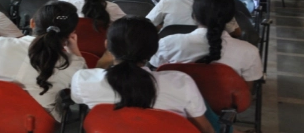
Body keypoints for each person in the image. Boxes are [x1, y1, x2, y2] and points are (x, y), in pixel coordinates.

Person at [71, 17, 214, 133]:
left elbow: (80, 97)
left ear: (107, 45)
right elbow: (205, 129)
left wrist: (104, 61)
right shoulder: (181, 82)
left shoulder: (82, 80)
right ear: (154, 49)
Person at [0, 1, 85, 121]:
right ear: (71, 34)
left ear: (32, 23)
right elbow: (84, 91)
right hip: (36, 123)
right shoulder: (72, 64)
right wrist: (75, 52)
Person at [150, 0, 263, 84]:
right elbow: (247, 92)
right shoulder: (249, 51)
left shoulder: (167, 43)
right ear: (230, 19)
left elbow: (156, 73)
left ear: (194, 16)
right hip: (225, 104)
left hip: (177, 103)